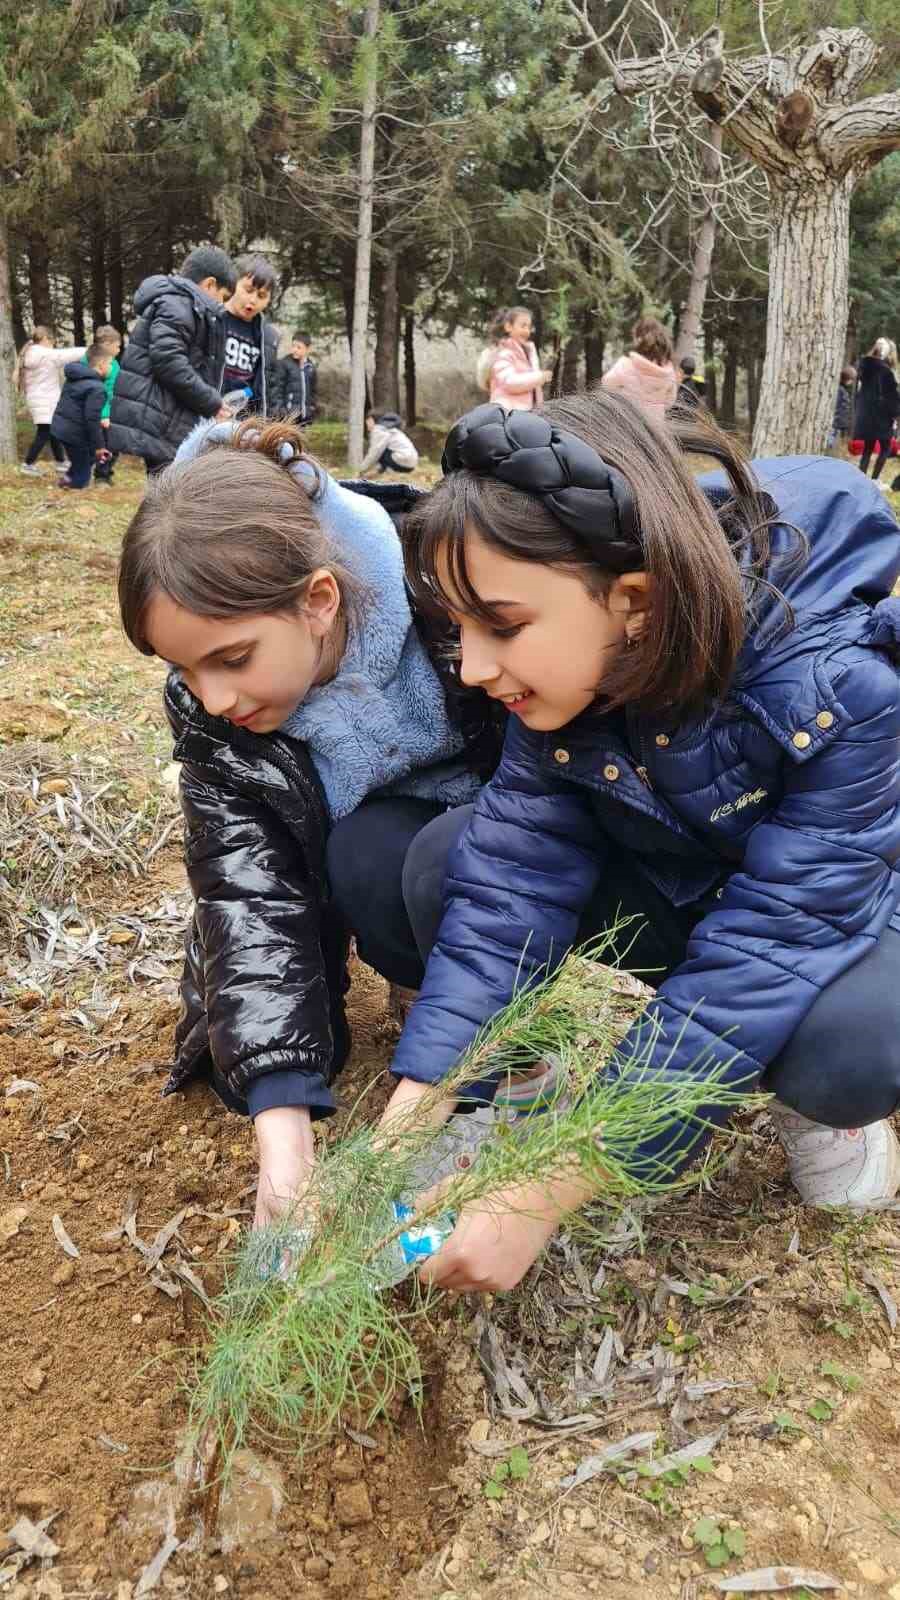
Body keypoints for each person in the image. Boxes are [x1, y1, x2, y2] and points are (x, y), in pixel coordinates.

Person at [359, 395, 900, 1294]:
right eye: (460, 629)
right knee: (449, 860)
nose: (475, 668)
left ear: (635, 602)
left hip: (833, 918)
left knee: (853, 1045)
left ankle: (821, 1111)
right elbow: (507, 890)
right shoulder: (573, 674)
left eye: (503, 625)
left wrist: (549, 1191)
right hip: (688, 888)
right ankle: (516, 1090)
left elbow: (777, 939)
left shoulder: (841, 686)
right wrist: (412, 1112)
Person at [116, 416, 493, 1229]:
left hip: (472, 840)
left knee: (419, 864)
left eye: (232, 659)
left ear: (320, 601)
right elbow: (246, 884)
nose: (210, 697)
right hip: (349, 847)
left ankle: (486, 1049)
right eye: (183, 668)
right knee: (355, 872)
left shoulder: (448, 602)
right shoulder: (213, 710)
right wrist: (283, 1139)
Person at [107, 245, 237, 471]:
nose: (221, 306)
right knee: (169, 491)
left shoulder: (182, 305)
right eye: (222, 298)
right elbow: (169, 360)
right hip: (161, 420)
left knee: (170, 489)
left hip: (167, 418)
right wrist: (211, 402)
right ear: (209, 284)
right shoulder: (178, 304)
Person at [16, 326, 86, 476]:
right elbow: (67, 354)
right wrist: (92, 350)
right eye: (52, 341)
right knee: (44, 432)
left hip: (39, 398)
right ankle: (27, 464)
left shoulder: (31, 353)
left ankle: (61, 462)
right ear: (45, 339)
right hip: (45, 399)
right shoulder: (43, 353)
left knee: (52, 430)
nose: (53, 345)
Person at [220, 253, 280, 415]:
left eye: (261, 296)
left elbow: (265, 391)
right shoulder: (212, 317)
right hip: (203, 417)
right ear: (233, 284)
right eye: (248, 290)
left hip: (240, 425)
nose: (253, 300)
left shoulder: (268, 337)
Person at [49, 341, 113, 489]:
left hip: (60, 428)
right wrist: (99, 446)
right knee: (83, 471)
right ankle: (74, 493)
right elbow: (92, 419)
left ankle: (66, 479)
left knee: (84, 459)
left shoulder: (76, 378)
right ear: (101, 365)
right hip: (74, 433)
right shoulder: (97, 388)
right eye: (110, 363)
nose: (111, 367)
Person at [602, 316, 678, 424]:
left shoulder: (626, 364)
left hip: (628, 425)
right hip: (656, 429)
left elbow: (606, 385)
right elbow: (670, 401)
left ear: (639, 338)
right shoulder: (669, 372)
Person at [487, 307, 554, 413]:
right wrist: (540, 377)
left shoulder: (528, 352)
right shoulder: (504, 352)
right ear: (508, 327)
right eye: (523, 326)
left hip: (525, 413)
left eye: (529, 327)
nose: (527, 331)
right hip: (506, 414)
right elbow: (510, 382)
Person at [854, 339, 899, 481]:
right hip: (882, 419)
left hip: (867, 416)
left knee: (868, 449)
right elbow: (892, 398)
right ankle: (874, 480)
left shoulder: (865, 367)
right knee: (885, 448)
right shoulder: (887, 372)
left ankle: (861, 479)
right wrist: (897, 415)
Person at [88, 324, 122, 484]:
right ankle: (101, 476)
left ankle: (105, 473)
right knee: (107, 446)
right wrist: (104, 415)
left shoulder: (113, 363)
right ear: (107, 344)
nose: (119, 350)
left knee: (113, 446)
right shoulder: (96, 363)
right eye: (117, 346)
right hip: (102, 414)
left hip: (109, 412)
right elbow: (101, 393)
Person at [272, 329, 318, 424]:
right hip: (288, 417)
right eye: (293, 346)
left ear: (308, 349)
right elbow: (277, 390)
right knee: (288, 439)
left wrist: (312, 409)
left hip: (305, 416)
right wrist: (281, 411)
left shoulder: (310, 367)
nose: (294, 350)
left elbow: (313, 392)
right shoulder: (284, 364)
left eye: (298, 347)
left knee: (301, 438)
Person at [359, 411, 419, 476]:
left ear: (371, 420)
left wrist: (361, 469)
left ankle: (385, 472)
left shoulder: (378, 430)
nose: (367, 424)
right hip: (411, 464)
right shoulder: (389, 428)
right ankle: (381, 472)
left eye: (367, 421)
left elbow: (374, 453)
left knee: (378, 451)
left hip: (403, 462)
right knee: (383, 450)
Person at [828, 364, 856, 454]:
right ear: (848, 379)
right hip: (834, 424)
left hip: (836, 425)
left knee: (832, 443)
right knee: (829, 444)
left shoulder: (842, 390)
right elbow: (839, 409)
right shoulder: (841, 391)